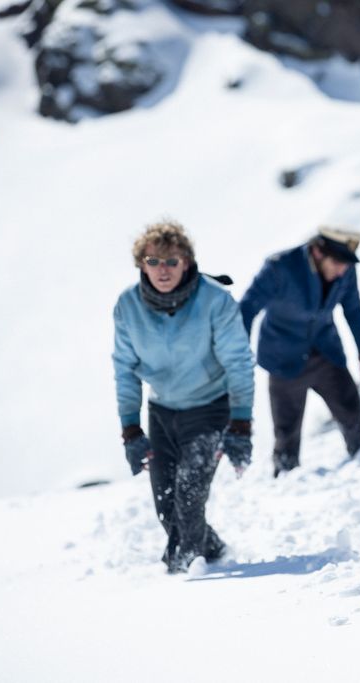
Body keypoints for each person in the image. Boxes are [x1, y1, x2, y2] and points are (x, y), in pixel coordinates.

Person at [112, 220, 255, 573]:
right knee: (167, 507)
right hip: (162, 411)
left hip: (211, 409)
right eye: (153, 261)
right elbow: (124, 369)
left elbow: (238, 363)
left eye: (172, 261)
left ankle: (183, 576)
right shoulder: (128, 307)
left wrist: (240, 423)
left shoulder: (215, 301)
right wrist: (130, 428)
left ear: (187, 263)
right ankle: (214, 549)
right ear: (141, 264)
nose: (163, 270)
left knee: (189, 498)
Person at [240, 227, 360, 477]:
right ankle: (286, 479)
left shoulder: (345, 270)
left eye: (346, 264)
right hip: (284, 359)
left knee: (351, 411)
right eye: (337, 262)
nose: (342, 270)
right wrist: (237, 356)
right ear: (317, 251)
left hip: (326, 352)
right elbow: (247, 308)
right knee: (287, 431)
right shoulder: (279, 268)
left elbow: (354, 309)